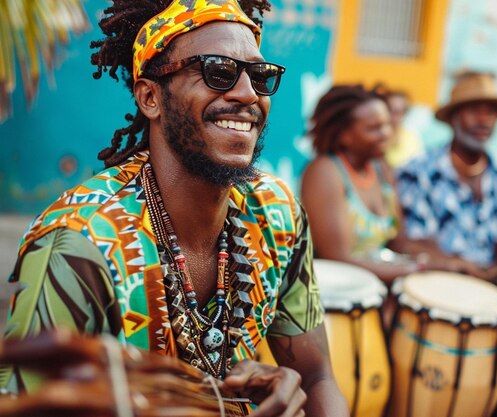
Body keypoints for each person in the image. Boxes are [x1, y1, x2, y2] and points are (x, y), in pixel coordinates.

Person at [0, 1, 349, 416]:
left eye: (259, 75)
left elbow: (317, 375)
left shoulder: (276, 214)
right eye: (217, 71)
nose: (246, 94)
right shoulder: (78, 246)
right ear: (151, 97)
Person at [300, 85, 472, 284]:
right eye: (374, 128)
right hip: (336, 297)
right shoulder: (325, 172)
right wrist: (417, 269)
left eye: (388, 124)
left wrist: (447, 263)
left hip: (380, 288)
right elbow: (339, 260)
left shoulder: (381, 169)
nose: (387, 134)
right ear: (343, 136)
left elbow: (399, 243)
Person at [396, 71, 497, 276]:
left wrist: (496, 273)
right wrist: (456, 266)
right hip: (432, 280)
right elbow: (412, 243)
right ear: (453, 118)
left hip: (487, 286)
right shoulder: (418, 171)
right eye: (474, 111)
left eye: (491, 112)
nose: (484, 121)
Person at [376, 85, 424, 168]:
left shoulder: (411, 139)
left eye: (399, 112)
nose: (394, 117)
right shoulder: (375, 137)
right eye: (391, 110)